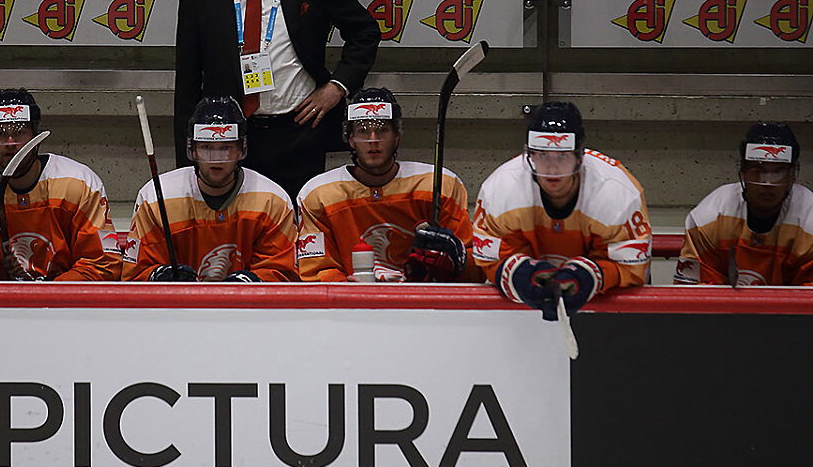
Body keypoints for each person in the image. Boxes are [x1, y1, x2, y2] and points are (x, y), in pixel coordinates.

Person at [173, 0, 381, 202]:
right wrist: (186, 163)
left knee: (301, 222)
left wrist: (337, 86)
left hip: (299, 129)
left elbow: (364, 31)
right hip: (229, 135)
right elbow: (188, 80)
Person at [472, 101, 651, 319]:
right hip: (525, 312)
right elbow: (489, 258)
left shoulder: (618, 193)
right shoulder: (500, 190)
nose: (552, 168)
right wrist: (519, 274)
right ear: (530, 155)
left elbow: (630, 267)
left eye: (562, 156)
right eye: (543, 155)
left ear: (579, 157)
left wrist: (591, 276)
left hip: (606, 311)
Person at [0, 89, 120, 281]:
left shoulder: (78, 182)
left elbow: (101, 262)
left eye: (19, 132)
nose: (10, 143)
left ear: (36, 136)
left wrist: (54, 290)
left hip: (61, 307)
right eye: (0, 133)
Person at [296, 88, 477, 282]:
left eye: (382, 130)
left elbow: (475, 268)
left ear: (397, 136)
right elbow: (316, 270)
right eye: (363, 131)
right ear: (350, 139)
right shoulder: (318, 193)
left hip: (423, 303)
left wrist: (457, 262)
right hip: (351, 307)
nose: (373, 140)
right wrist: (346, 291)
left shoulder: (440, 184)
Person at [123, 96, 296, 281]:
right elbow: (134, 272)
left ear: (240, 150)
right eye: (207, 147)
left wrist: (254, 282)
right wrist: (157, 276)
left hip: (246, 309)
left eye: (226, 147)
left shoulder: (272, 200)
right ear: (193, 150)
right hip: (176, 308)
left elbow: (283, 273)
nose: (216, 158)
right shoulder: (156, 198)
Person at [675, 122, 813, 286]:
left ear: (792, 176)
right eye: (757, 171)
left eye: (779, 171)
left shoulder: (809, 220)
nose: (767, 182)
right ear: (743, 172)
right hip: (724, 310)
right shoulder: (710, 216)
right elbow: (695, 294)